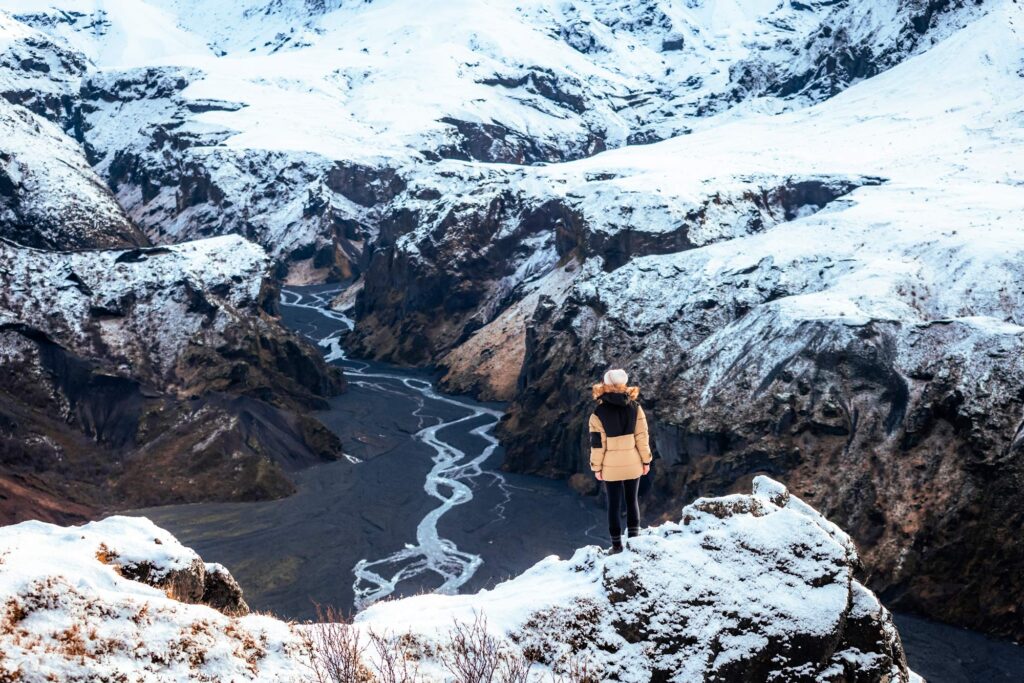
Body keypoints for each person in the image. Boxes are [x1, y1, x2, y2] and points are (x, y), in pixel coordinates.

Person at [588, 368, 652, 554]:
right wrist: (646, 461)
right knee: (632, 501)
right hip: (633, 462)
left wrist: (596, 467)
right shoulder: (635, 407)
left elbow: (597, 444)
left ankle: (616, 546)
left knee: (613, 505)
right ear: (624, 384)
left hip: (610, 465)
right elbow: (642, 436)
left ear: (606, 385)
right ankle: (634, 542)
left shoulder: (598, 412)